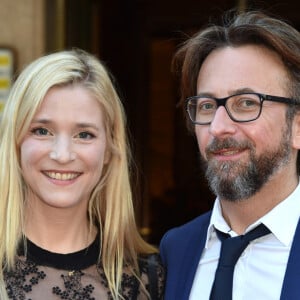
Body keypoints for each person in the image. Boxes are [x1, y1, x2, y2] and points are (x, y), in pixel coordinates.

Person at [0, 49, 164, 300]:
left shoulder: (148, 282)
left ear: (110, 149)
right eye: (42, 131)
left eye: (84, 134)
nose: (63, 155)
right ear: (16, 142)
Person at [159, 9, 300, 300]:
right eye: (207, 106)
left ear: (297, 127)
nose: (218, 127)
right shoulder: (175, 251)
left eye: (247, 103)